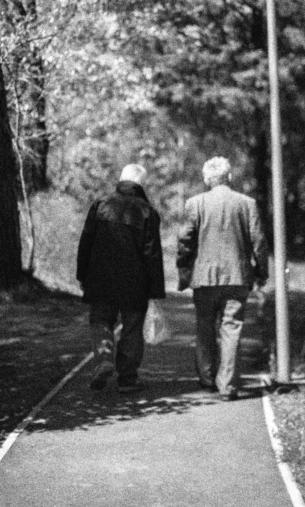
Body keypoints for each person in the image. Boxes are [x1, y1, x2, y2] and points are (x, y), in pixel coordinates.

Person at [176, 157, 268, 400]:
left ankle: (207, 378)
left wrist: (184, 267)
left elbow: (184, 239)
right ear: (229, 177)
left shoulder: (195, 203)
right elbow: (258, 241)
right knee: (232, 329)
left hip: (204, 278)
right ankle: (227, 385)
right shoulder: (247, 204)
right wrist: (261, 272)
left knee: (204, 327)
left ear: (207, 179)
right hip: (237, 278)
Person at [77, 164, 165, 393]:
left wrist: (82, 274)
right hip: (135, 283)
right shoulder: (148, 212)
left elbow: (86, 242)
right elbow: (152, 254)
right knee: (132, 327)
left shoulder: (100, 205)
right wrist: (155, 292)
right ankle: (127, 378)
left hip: (101, 278)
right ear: (141, 185)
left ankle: (104, 358)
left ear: (121, 180)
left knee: (100, 320)